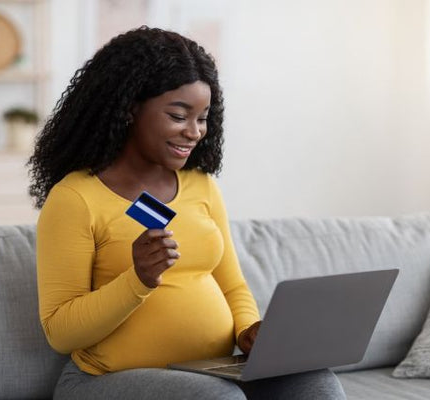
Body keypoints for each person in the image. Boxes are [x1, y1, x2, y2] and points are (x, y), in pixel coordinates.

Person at [29, 26, 346, 400]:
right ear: (129, 108)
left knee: (316, 384)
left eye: (202, 118)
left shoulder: (201, 185)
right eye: (179, 116)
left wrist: (248, 331)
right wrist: (139, 280)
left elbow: (232, 285)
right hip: (106, 380)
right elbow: (61, 333)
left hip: (214, 372)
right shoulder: (75, 199)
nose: (194, 132)